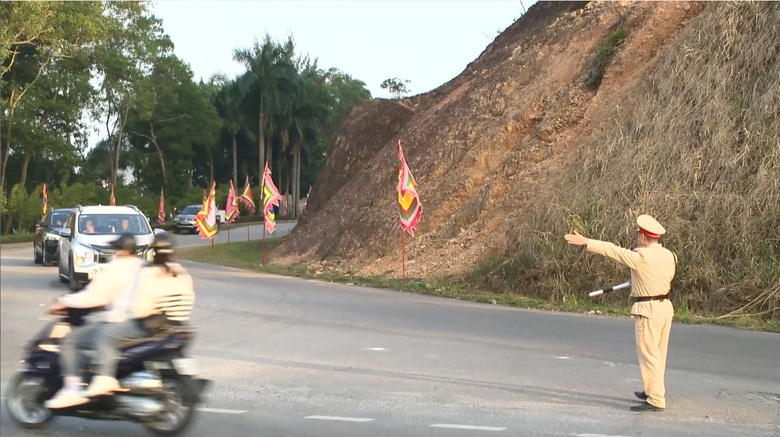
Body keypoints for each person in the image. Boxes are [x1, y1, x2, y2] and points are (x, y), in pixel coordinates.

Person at [564, 214, 676, 412]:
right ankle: (652, 389)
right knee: (658, 354)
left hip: (648, 310)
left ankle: (656, 399)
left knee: (649, 354)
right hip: (665, 308)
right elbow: (663, 277)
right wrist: (641, 281)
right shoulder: (669, 255)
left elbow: (613, 250)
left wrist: (587, 242)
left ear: (643, 236)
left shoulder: (641, 256)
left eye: (638, 234)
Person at [83, 232, 196, 399]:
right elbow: (189, 299)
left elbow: (141, 308)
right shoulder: (182, 272)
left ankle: (104, 378)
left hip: (151, 325)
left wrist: (129, 313)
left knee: (106, 334)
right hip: (177, 324)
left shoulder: (149, 272)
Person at [45, 234, 145, 409]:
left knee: (72, 340)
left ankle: (72, 390)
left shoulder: (116, 268)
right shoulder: (143, 266)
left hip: (120, 321)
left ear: (122, 251)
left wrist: (64, 302)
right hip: (141, 322)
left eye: (117, 248)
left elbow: (94, 297)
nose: (114, 252)